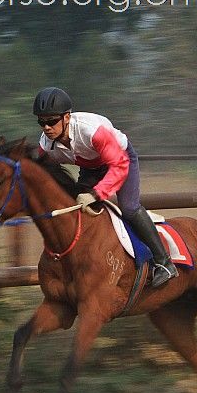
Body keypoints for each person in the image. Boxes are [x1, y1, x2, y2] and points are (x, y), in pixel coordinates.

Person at [32, 87, 178, 287]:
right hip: (90, 167)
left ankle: (164, 263)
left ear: (67, 117)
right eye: (41, 122)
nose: (46, 127)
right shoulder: (46, 145)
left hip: (121, 160)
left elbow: (119, 165)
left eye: (51, 121)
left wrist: (96, 194)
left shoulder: (92, 131)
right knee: (75, 207)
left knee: (129, 208)